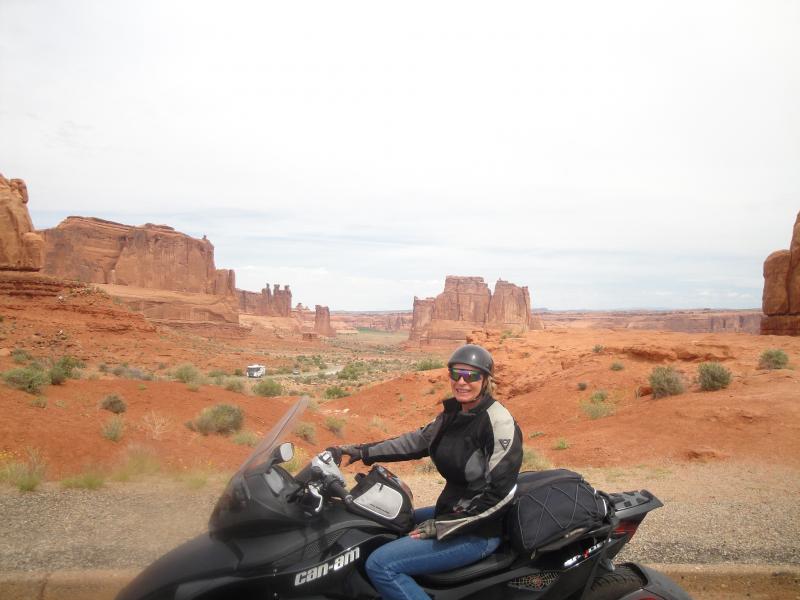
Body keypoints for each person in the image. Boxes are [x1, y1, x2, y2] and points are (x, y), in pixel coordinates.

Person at [329, 343, 523, 600]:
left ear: (485, 379)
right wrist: (359, 451)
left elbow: (501, 493)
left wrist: (443, 526)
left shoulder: (498, 422)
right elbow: (415, 442)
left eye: (471, 375)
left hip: (478, 530)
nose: (461, 382)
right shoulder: (453, 414)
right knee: (384, 523)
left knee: (381, 565)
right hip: (451, 510)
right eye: (456, 373)